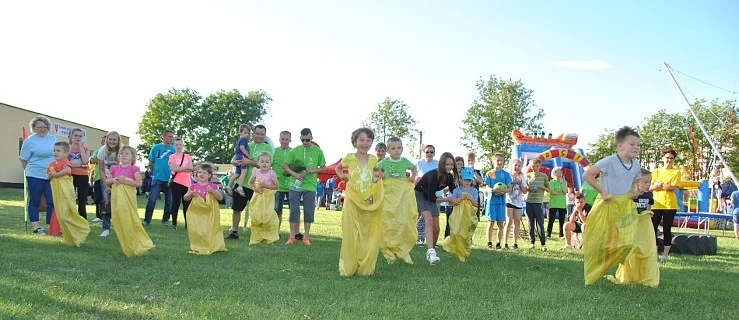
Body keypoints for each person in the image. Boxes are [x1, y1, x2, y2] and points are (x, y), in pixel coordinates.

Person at [582, 126, 643, 286]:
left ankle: (616, 266)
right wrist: (602, 191)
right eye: (632, 144)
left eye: (638, 145)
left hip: (623, 206)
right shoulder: (609, 161)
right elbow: (587, 175)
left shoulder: (636, 166)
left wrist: (635, 191)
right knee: (600, 241)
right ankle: (594, 271)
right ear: (620, 146)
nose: (636, 147)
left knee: (627, 241)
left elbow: (635, 183)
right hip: (606, 205)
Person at [337, 128, 384, 276]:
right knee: (351, 230)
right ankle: (348, 266)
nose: (365, 143)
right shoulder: (349, 157)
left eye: (368, 140)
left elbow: (378, 173)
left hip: (367, 200)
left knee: (366, 232)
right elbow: (338, 169)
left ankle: (364, 266)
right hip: (352, 198)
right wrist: (342, 176)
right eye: (361, 140)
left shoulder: (373, 159)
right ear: (355, 141)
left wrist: (377, 179)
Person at [611, 168, 660, 287]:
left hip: (643, 227)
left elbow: (648, 209)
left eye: (650, 182)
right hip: (631, 226)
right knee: (630, 250)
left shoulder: (649, 194)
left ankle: (645, 277)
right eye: (645, 182)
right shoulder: (630, 194)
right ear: (636, 181)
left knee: (646, 250)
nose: (648, 185)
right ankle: (628, 275)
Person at [106, 146, 155, 256]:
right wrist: (113, 180)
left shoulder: (134, 169)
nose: (123, 155)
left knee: (129, 218)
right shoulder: (114, 168)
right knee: (118, 219)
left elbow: (139, 183)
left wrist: (126, 180)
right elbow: (108, 181)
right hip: (116, 198)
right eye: (121, 153)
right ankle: (127, 245)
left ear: (132, 157)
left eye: (127, 153)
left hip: (128, 198)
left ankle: (139, 243)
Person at [227, 124, 273, 240]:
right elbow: (233, 160)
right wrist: (237, 163)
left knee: (257, 211)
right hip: (241, 183)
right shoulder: (246, 144)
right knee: (237, 208)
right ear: (253, 134)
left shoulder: (267, 148)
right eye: (257, 133)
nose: (259, 136)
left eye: (262, 134)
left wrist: (249, 161)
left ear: (265, 135)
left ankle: (258, 233)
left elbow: (265, 165)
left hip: (257, 184)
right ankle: (234, 231)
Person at [377, 137, 418, 264]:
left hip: (401, 196)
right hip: (389, 196)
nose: (396, 151)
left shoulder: (404, 161)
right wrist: (381, 175)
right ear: (388, 150)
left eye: (399, 148)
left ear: (402, 149)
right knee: (388, 221)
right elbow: (374, 169)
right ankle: (388, 250)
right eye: (393, 148)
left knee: (402, 220)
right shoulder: (384, 162)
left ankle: (402, 250)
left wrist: (413, 177)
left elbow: (414, 167)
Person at [283, 128, 326, 245]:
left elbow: (323, 167)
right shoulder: (295, 151)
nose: (305, 142)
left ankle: (306, 237)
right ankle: (292, 236)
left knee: (308, 210)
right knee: (294, 211)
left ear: (312, 138)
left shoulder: (318, 151)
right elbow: (285, 166)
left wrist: (314, 170)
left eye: (307, 140)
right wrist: (295, 174)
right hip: (294, 185)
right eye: (303, 140)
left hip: (310, 186)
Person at [415, 152, 456, 265]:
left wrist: (464, 195)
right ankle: (431, 252)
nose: (449, 167)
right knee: (428, 219)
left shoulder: (449, 176)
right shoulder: (433, 175)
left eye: (451, 165)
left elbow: (454, 191)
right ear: (441, 164)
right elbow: (431, 198)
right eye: (446, 164)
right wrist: (449, 200)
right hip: (421, 195)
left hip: (432, 196)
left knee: (436, 229)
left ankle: (431, 251)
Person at [47, 141, 90, 247]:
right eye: (54, 150)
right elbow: (48, 176)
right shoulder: (51, 164)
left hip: (66, 193)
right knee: (61, 215)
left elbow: (67, 170)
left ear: (66, 153)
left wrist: (56, 174)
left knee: (68, 213)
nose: (55, 152)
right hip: (57, 193)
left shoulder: (65, 161)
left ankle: (81, 229)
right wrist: (52, 175)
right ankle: (72, 236)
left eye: (58, 151)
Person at [20, 116, 57, 234]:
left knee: (51, 201)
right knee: (35, 200)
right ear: (34, 128)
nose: (42, 129)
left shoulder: (52, 139)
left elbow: (57, 155)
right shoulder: (30, 141)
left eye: (45, 127)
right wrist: (29, 170)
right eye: (39, 127)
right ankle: (36, 226)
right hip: (34, 174)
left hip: (50, 175)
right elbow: (23, 158)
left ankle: (51, 225)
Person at [184, 163, 227, 254]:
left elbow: (220, 198)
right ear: (196, 174)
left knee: (208, 230)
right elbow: (185, 198)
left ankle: (210, 245)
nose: (201, 174)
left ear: (209, 175)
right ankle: (198, 245)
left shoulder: (212, 186)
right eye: (199, 172)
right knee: (197, 230)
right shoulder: (193, 186)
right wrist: (191, 194)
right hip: (197, 213)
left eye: (204, 172)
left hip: (209, 213)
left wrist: (212, 192)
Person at [442, 167, 479, 262]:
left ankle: (464, 252)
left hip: (468, 216)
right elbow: (452, 203)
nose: (467, 182)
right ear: (460, 179)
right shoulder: (456, 191)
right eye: (465, 179)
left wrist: (470, 198)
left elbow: (476, 204)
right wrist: (461, 198)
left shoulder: (474, 191)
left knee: (465, 235)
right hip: (458, 216)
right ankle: (455, 248)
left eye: (469, 180)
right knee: (455, 232)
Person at [650, 149, 681, 261]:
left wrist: (660, 185)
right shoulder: (656, 171)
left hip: (669, 205)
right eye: (667, 158)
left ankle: (665, 254)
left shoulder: (676, 172)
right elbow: (651, 187)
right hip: (656, 204)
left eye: (671, 158)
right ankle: (654, 252)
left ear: (674, 160)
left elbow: (673, 187)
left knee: (667, 228)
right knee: (653, 228)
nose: (669, 160)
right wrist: (661, 186)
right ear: (663, 159)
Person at [143, 130, 175, 226]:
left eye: (172, 136)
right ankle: (147, 220)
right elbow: (151, 162)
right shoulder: (156, 148)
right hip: (157, 179)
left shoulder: (173, 150)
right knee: (152, 200)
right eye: (169, 136)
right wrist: (154, 173)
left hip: (169, 179)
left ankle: (166, 220)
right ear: (164, 136)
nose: (171, 138)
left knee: (169, 201)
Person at [248, 151, 280, 245]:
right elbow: (250, 183)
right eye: (262, 162)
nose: (264, 164)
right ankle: (257, 235)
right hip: (258, 196)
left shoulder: (271, 173)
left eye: (267, 162)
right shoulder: (256, 171)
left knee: (267, 216)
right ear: (258, 163)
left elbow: (276, 186)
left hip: (268, 197)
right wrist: (255, 189)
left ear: (270, 163)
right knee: (257, 215)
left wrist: (265, 185)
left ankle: (268, 236)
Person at [93, 131, 121, 237]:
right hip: (105, 179)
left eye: (114, 139)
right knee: (106, 202)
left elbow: (123, 167)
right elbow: (101, 169)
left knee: (119, 203)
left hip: (118, 180)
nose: (112, 141)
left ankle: (120, 227)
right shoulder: (102, 151)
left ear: (118, 141)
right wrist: (106, 185)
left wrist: (115, 182)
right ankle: (106, 228)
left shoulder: (121, 150)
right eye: (110, 139)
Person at [483, 153, 511, 250]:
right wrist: (492, 190)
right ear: (493, 161)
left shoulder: (506, 174)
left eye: (501, 160)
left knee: (500, 223)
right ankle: (489, 243)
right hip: (491, 201)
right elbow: (486, 187)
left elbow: (509, 188)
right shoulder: (489, 173)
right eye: (497, 160)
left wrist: (504, 190)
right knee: (491, 222)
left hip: (501, 202)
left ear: (503, 162)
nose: (499, 162)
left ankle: (498, 243)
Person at [415, 145, 439, 245]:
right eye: (427, 152)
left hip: (434, 194)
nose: (429, 154)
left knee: (433, 218)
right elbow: (414, 177)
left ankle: (433, 241)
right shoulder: (418, 163)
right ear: (424, 153)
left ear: (434, 153)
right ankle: (420, 239)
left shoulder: (438, 164)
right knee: (422, 217)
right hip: (421, 193)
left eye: (431, 152)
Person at [168, 138, 193, 230]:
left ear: (182, 145)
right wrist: (185, 168)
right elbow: (174, 169)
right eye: (176, 145)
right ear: (174, 146)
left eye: (180, 145)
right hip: (176, 183)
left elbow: (191, 168)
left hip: (187, 184)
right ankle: (174, 224)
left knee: (187, 204)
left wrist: (180, 168)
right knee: (176, 203)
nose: (178, 146)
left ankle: (188, 224)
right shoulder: (172, 157)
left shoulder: (187, 156)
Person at [526, 158, 550, 250]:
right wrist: (529, 188)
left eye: (537, 166)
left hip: (538, 203)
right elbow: (525, 188)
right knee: (530, 224)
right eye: (533, 166)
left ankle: (543, 244)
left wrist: (542, 187)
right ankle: (532, 242)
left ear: (540, 166)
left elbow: (549, 189)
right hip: (529, 202)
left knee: (540, 224)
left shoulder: (543, 176)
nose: (535, 168)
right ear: (530, 166)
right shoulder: (528, 176)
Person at [67, 128, 91, 219]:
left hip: (83, 176)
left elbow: (85, 161)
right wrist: (80, 165)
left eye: (80, 136)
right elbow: (66, 163)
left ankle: (83, 219)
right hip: (70, 175)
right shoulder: (68, 148)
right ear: (71, 136)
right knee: (70, 198)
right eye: (76, 135)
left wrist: (81, 147)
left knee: (82, 199)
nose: (78, 138)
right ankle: (71, 218)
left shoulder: (85, 148)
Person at [504, 158, 527, 249]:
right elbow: (505, 188)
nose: (517, 167)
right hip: (509, 200)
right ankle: (505, 242)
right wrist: (513, 182)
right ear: (512, 166)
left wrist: (520, 183)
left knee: (517, 221)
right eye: (515, 165)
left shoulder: (522, 176)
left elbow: (525, 191)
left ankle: (515, 243)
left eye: (519, 165)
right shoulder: (508, 175)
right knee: (509, 221)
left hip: (518, 202)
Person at [272, 131, 292, 231]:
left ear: (290, 140)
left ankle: (294, 233)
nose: (284, 141)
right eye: (282, 139)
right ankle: (276, 231)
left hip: (292, 187)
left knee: (294, 211)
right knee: (277, 211)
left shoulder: (294, 152)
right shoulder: (274, 151)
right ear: (279, 140)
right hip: (277, 187)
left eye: (286, 139)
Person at [229, 124, 252, 196]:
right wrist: (248, 156)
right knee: (244, 172)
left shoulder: (239, 140)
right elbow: (242, 148)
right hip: (242, 157)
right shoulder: (243, 139)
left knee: (237, 174)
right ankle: (240, 187)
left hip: (237, 156)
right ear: (240, 132)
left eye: (248, 133)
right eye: (245, 133)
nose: (247, 135)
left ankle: (229, 186)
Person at [547, 167, 568, 239]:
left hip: (562, 204)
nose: (559, 174)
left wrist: (562, 183)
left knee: (562, 220)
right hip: (553, 203)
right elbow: (552, 192)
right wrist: (560, 193)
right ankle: (548, 234)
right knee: (551, 219)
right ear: (554, 173)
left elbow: (565, 191)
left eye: (560, 173)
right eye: (557, 173)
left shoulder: (564, 182)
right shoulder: (551, 182)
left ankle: (561, 234)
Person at [90, 137, 105, 222]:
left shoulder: (112, 153)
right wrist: (102, 160)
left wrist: (99, 160)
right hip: (98, 178)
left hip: (108, 178)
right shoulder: (97, 151)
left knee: (106, 198)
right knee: (98, 197)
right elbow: (92, 160)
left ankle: (105, 215)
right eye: (104, 141)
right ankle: (98, 215)